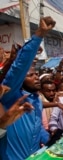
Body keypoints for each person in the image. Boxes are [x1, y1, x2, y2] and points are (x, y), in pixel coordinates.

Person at [0, 16, 56, 160]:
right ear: (20, 81)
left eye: (37, 74)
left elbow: (37, 130)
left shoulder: (36, 100)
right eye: (30, 75)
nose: (36, 77)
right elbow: (19, 68)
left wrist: (51, 139)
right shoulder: (9, 96)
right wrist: (39, 35)